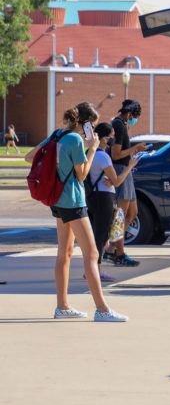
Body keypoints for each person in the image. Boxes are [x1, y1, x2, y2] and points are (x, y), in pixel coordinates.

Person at [24, 102, 128, 322]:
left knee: (65, 253)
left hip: (57, 200)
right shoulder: (74, 140)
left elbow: (29, 156)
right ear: (87, 124)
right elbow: (82, 175)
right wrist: (92, 148)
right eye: (93, 125)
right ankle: (102, 309)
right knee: (91, 254)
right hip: (73, 201)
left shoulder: (57, 134)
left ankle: (62, 306)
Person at [86, 121, 138, 283]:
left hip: (91, 197)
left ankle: (90, 269)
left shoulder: (89, 153)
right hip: (104, 197)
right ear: (102, 138)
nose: (112, 140)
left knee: (95, 235)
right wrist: (130, 166)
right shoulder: (103, 156)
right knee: (101, 236)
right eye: (110, 137)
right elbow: (116, 181)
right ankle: (97, 270)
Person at [105, 99, 148, 266]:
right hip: (120, 169)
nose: (135, 120)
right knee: (120, 216)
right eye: (135, 116)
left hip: (126, 170)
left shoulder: (121, 124)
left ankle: (110, 250)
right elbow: (116, 154)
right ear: (130, 114)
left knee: (132, 212)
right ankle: (119, 253)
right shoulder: (119, 126)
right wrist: (136, 148)